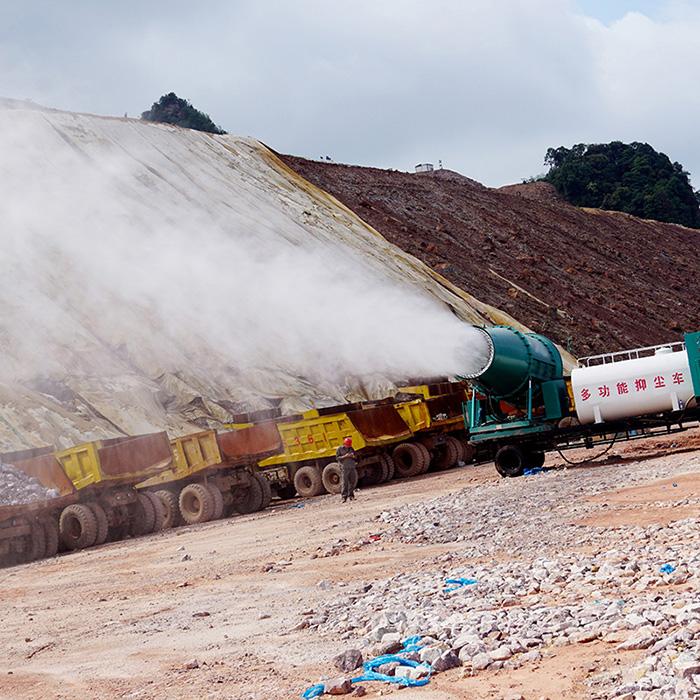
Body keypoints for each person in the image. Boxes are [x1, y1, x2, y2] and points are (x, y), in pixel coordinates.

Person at [335, 436, 358, 502]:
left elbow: (356, 457)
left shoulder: (351, 448)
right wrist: (345, 456)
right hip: (344, 468)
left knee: (352, 482)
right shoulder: (339, 449)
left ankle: (351, 496)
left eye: (349, 445)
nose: (348, 446)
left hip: (352, 467)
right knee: (345, 483)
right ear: (344, 444)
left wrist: (353, 456)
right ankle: (344, 497)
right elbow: (337, 458)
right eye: (347, 445)